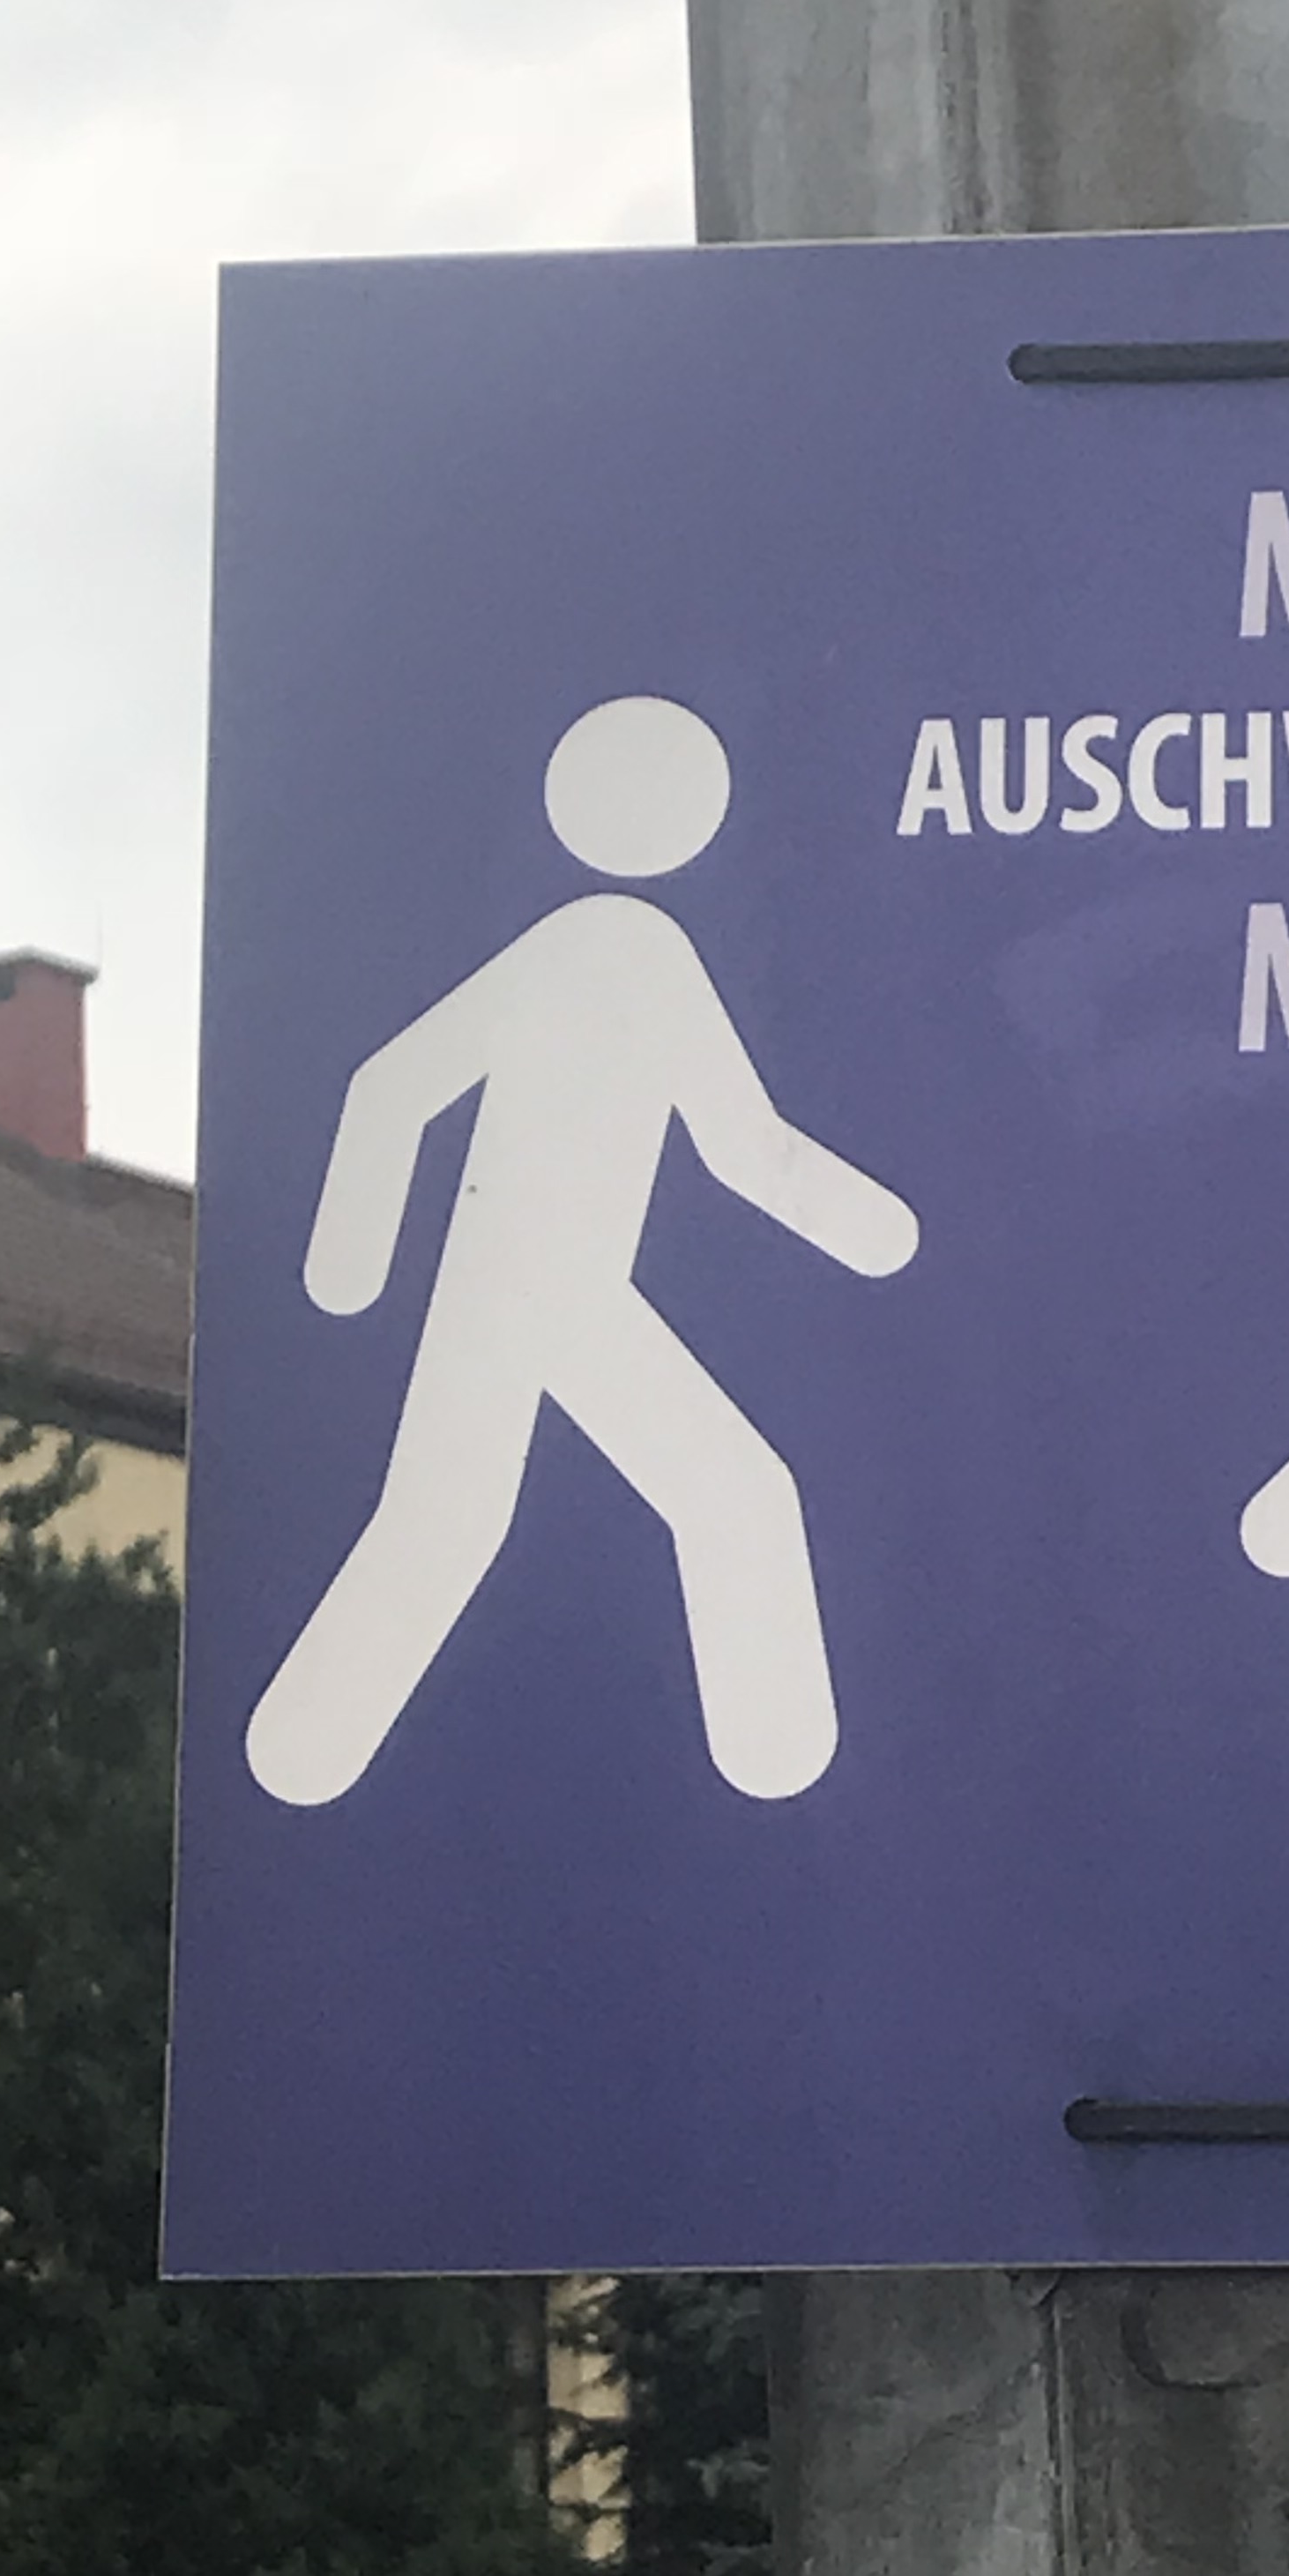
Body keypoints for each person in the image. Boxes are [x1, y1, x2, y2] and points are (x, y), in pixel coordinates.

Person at [245, 695, 917, 1808]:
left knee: (461, 1516)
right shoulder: (624, 952)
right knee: (725, 1494)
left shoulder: (611, 950)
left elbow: (732, 1147)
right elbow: (736, 1146)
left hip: (534, 1294)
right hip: (533, 1293)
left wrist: (869, 1230)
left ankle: (303, 1759)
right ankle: (775, 1762)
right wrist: (346, 1267)